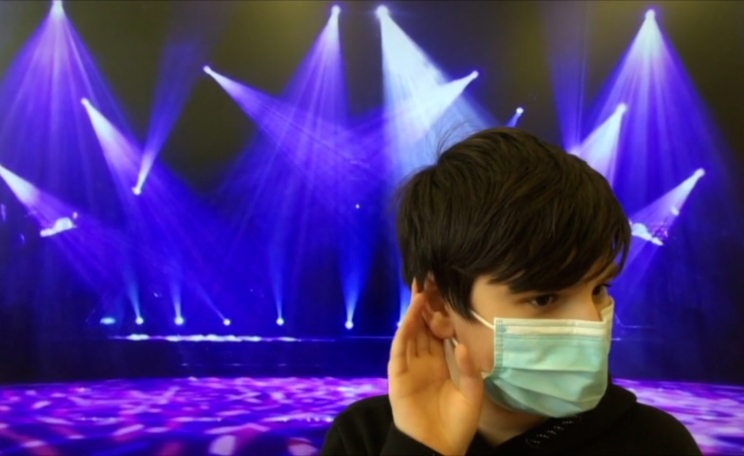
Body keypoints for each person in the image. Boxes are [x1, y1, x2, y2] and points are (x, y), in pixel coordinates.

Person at [320, 128, 701, 455]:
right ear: (439, 305)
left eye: (600, 288)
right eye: (544, 298)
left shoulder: (656, 442)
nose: (593, 321)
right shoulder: (365, 438)